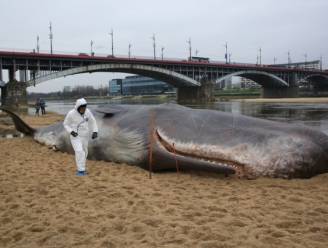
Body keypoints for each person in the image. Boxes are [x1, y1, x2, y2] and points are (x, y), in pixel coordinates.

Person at [63, 98, 98, 176]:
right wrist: (71, 131)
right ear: (78, 107)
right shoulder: (71, 113)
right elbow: (65, 124)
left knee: (85, 152)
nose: (83, 109)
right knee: (79, 151)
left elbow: (93, 121)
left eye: (84, 107)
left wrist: (95, 131)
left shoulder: (87, 112)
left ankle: (83, 168)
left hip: (85, 136)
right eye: (82, 108)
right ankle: (80, 171)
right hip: (75, 136)